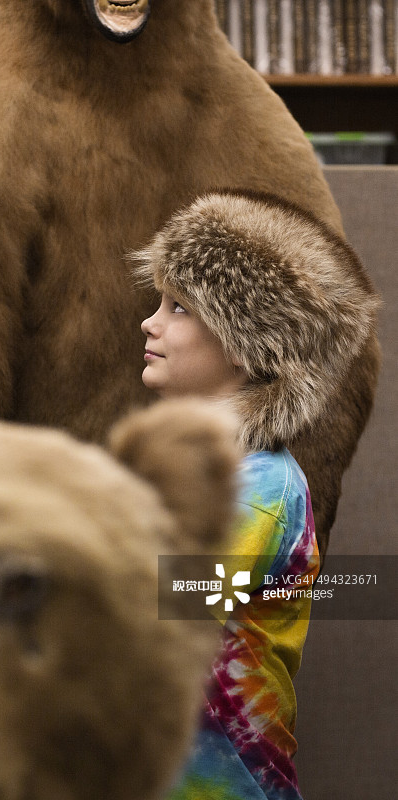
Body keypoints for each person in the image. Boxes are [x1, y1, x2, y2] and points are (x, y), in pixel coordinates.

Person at [129, 189, 379, 800]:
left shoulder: (260, 486)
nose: (150, 323)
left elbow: (175, 602)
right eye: (159, 301)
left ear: (247, 347)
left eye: (180, 307)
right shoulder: (186, 470)